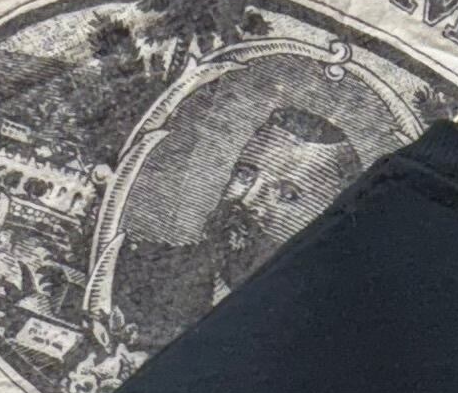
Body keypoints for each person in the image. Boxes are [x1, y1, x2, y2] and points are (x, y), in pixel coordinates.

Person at [108, 105, 361, 357]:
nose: (248, 200)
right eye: (245, 175)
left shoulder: (324, 342)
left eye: (286, 195)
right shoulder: (137, 272)